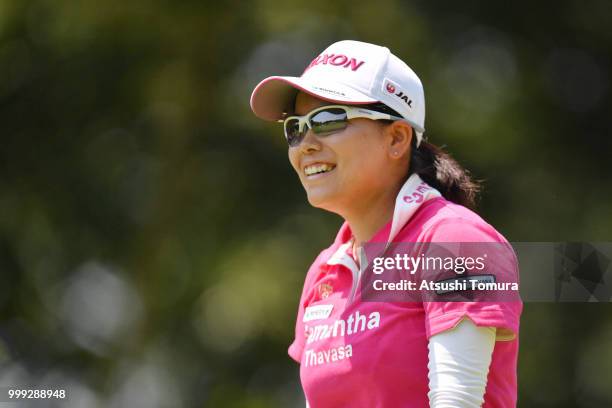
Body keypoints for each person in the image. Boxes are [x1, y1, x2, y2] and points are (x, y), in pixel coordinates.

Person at [250, 40, 522, 407]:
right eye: (295, 128)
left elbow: (457, 401)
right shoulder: (323, 273)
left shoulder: (454, 239)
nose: (305, 144)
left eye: (329, 120)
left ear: (396, 138)